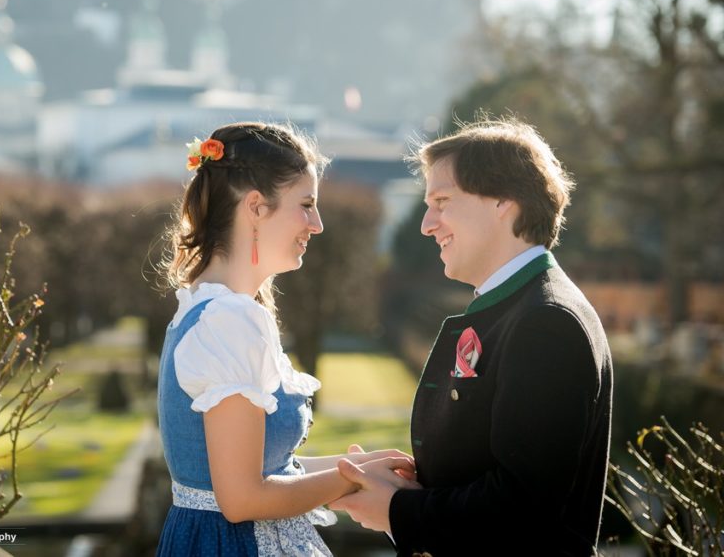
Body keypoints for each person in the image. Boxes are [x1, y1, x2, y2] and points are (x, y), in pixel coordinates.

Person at [331, 118, 613, 556]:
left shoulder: (546, 322)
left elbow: (522, 508)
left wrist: (398, 511)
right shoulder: (520, 309)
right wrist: (409, 487)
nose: (427, 224)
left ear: (505, 201)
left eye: (442, 201)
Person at [156, 122, 413, 556]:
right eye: (307, 204)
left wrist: (364, 465)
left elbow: (270, 469)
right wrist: (352, 477)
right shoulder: (230, 320)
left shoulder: (211, 307)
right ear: (255, 207)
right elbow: (243, 500)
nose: (317, 224)